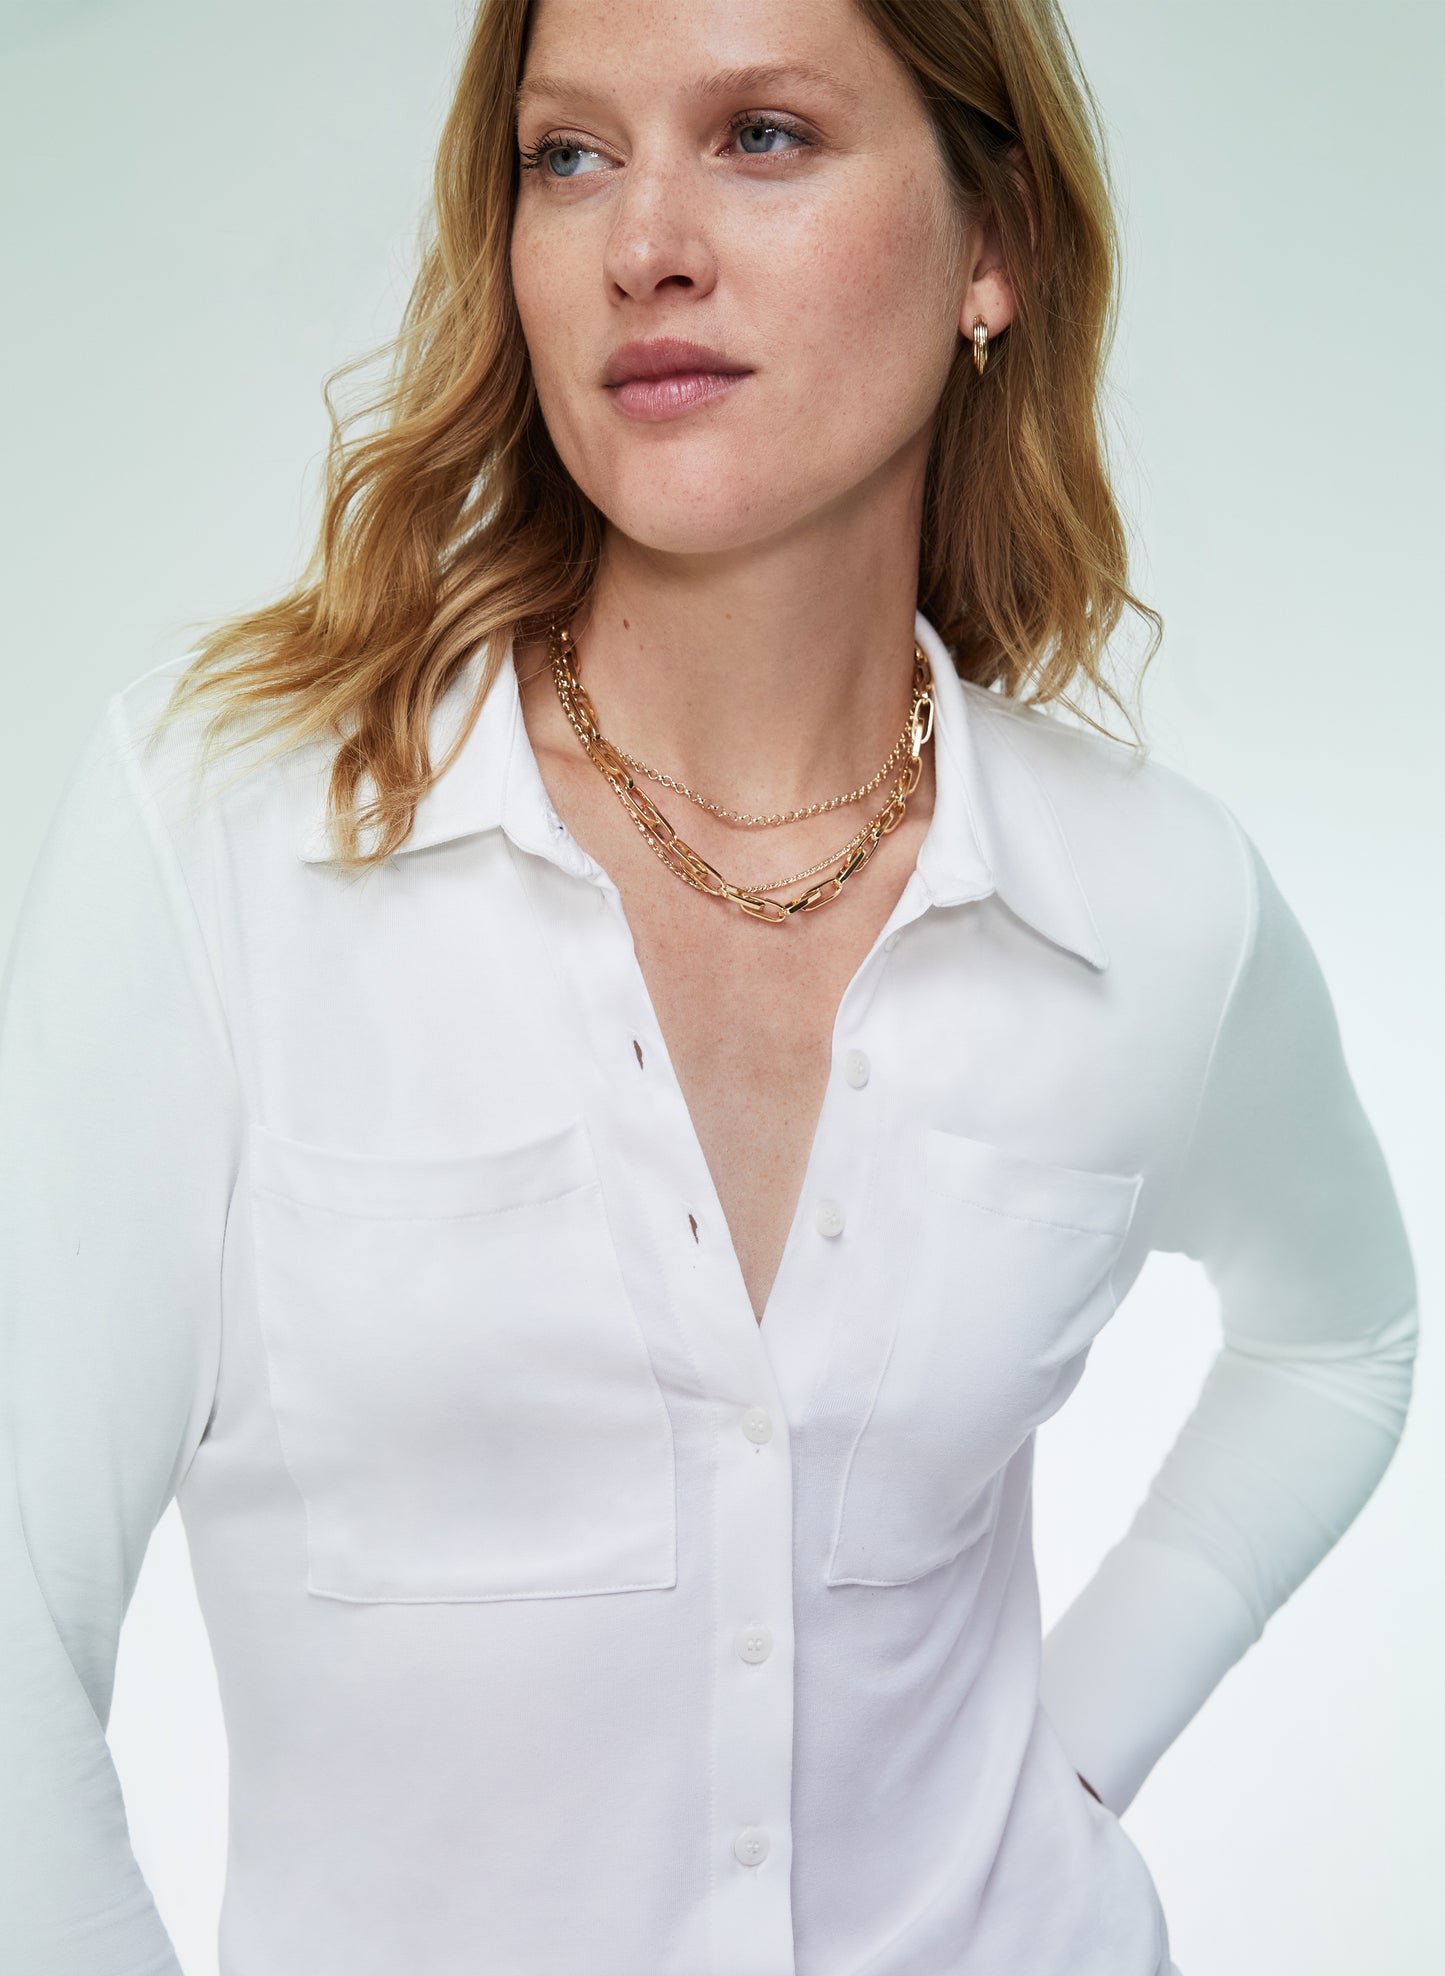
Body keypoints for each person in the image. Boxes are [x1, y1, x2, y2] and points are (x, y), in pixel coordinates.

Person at [0, 0, 1418, 1970]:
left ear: (994, 245)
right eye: (569, 156)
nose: (642, 243)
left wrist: (1075, 1754)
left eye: (761, 136)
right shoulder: (236, 834)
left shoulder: (1152, 904)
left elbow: (1343, 1339)